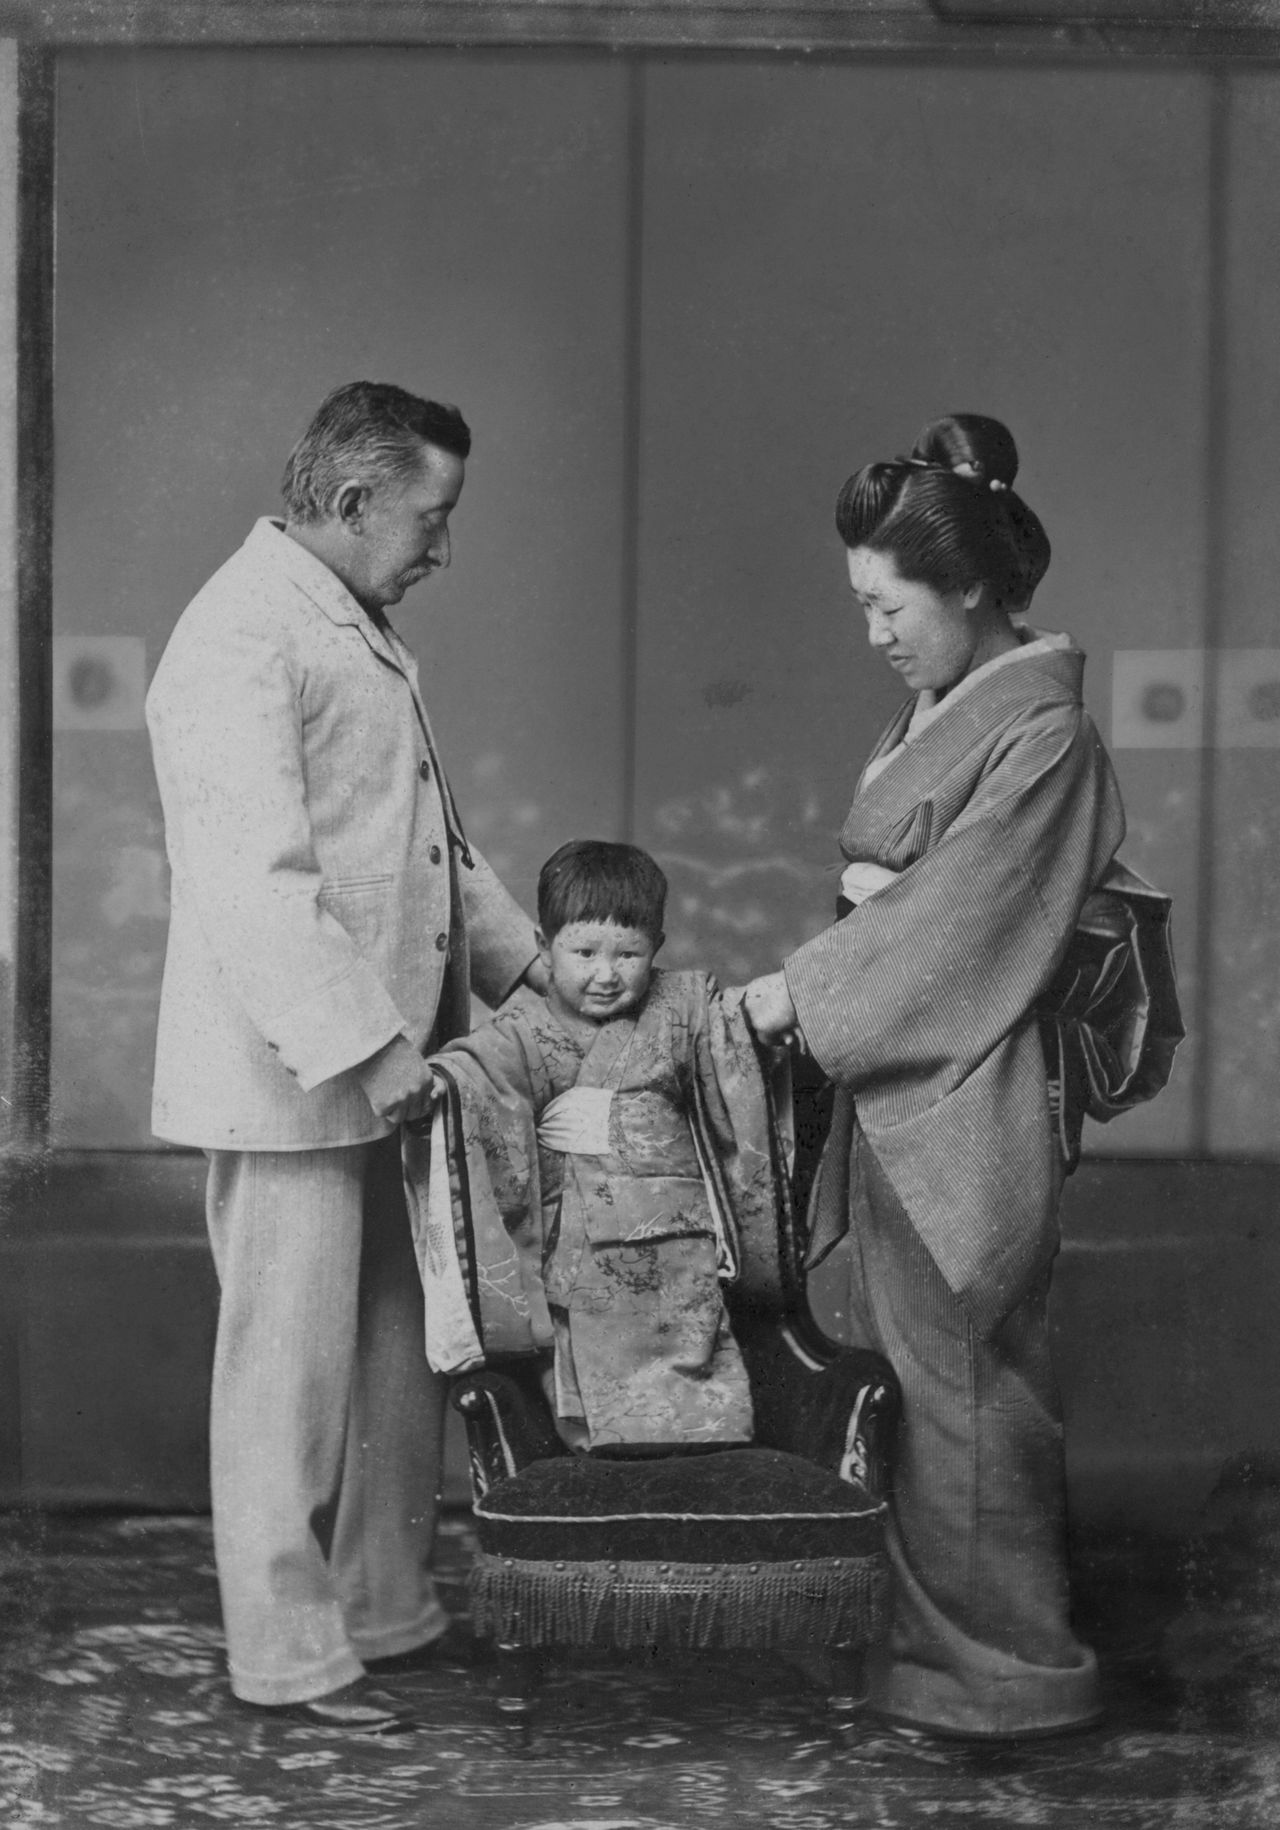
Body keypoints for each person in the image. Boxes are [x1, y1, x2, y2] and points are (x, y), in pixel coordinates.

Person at [742, 412, 1158, 1741]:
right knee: (914, 1371)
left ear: (973, 583)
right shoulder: (952, 708)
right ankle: (926, 1654)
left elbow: (965, 916)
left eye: (890, 599)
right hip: (907, 1077)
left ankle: (1006, 1671)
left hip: (972, 1083)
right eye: (860, 600)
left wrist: (801, 988)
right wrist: (847, 952)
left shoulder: (1046, 737)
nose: (874, 628)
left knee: (971, 1383)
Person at [146, 381, 542, 1730]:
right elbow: (256, 884)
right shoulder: (239, 635)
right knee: (289, 1374)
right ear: (353, 501)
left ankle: (385, 1605)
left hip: (392, 1065)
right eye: (432, 518)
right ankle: (288, 1651)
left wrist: (535, 976)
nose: (442, 546)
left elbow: (431, 846)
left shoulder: (349, 625)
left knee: (396, 1356)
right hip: (302, 1073)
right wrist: (369, 1050)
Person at [404, 839, 789, 1453]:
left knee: (699, 1391)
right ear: (542, 947)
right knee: (600, 1410)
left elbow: (733, 1044)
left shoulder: (685, 1009)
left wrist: (763, 1019)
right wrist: (440, 1084)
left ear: (657, 947)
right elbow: (474, 1077)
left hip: (679, 1254)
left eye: (629, 953)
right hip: (580, 1254)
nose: (606, 974)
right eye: (583, 952)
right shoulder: (524, 1030)